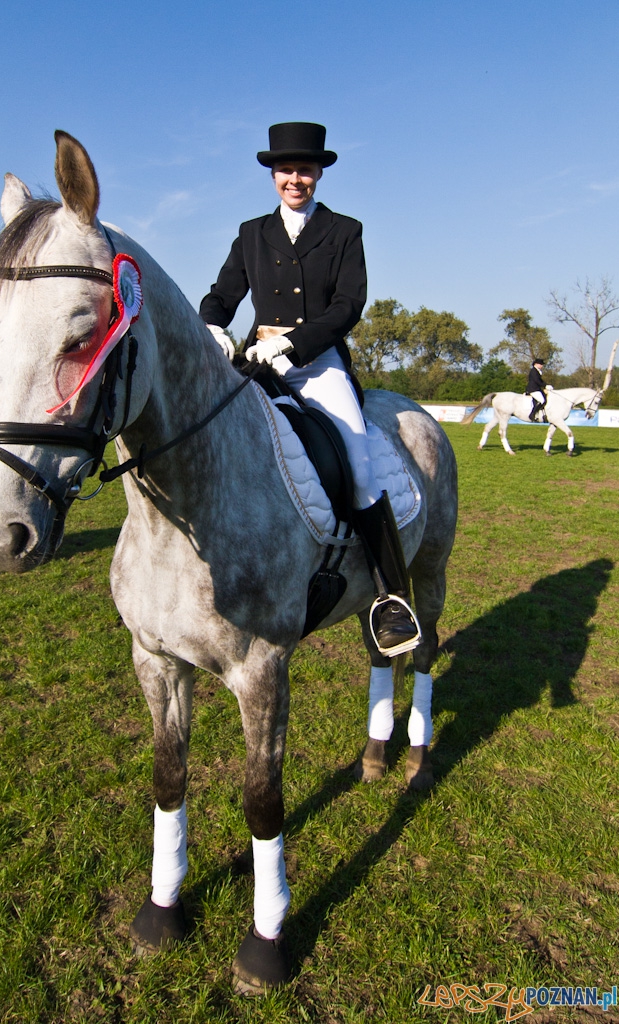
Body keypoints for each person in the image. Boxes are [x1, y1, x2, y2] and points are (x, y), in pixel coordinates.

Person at [199, 122, 420, 657]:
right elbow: (223, 294)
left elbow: (348, 306)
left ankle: (391, 599)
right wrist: (211, 325)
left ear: (319, 173)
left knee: (360, 465)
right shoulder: (252, 232)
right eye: (285, 170)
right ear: (273, 175)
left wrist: (293, 343)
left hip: (319, 365)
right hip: (258, 363)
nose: (294, 179)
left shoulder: (344, 231)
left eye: (304, 170)